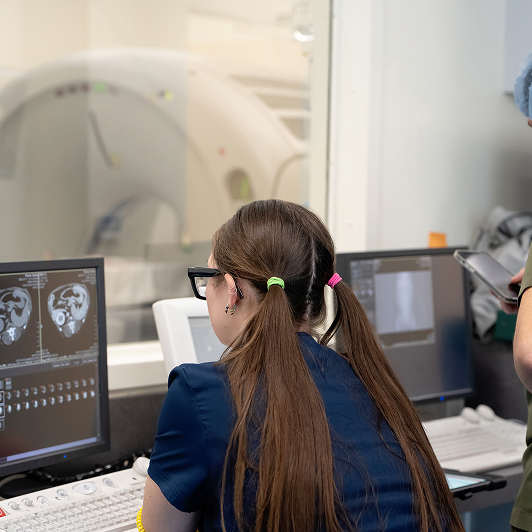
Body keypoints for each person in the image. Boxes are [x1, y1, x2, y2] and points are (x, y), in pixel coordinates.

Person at [139, 200, 464, 532]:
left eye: (208, 277)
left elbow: (157, 528)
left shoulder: (198, 393)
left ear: (233, 291)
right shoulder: (371, 377)